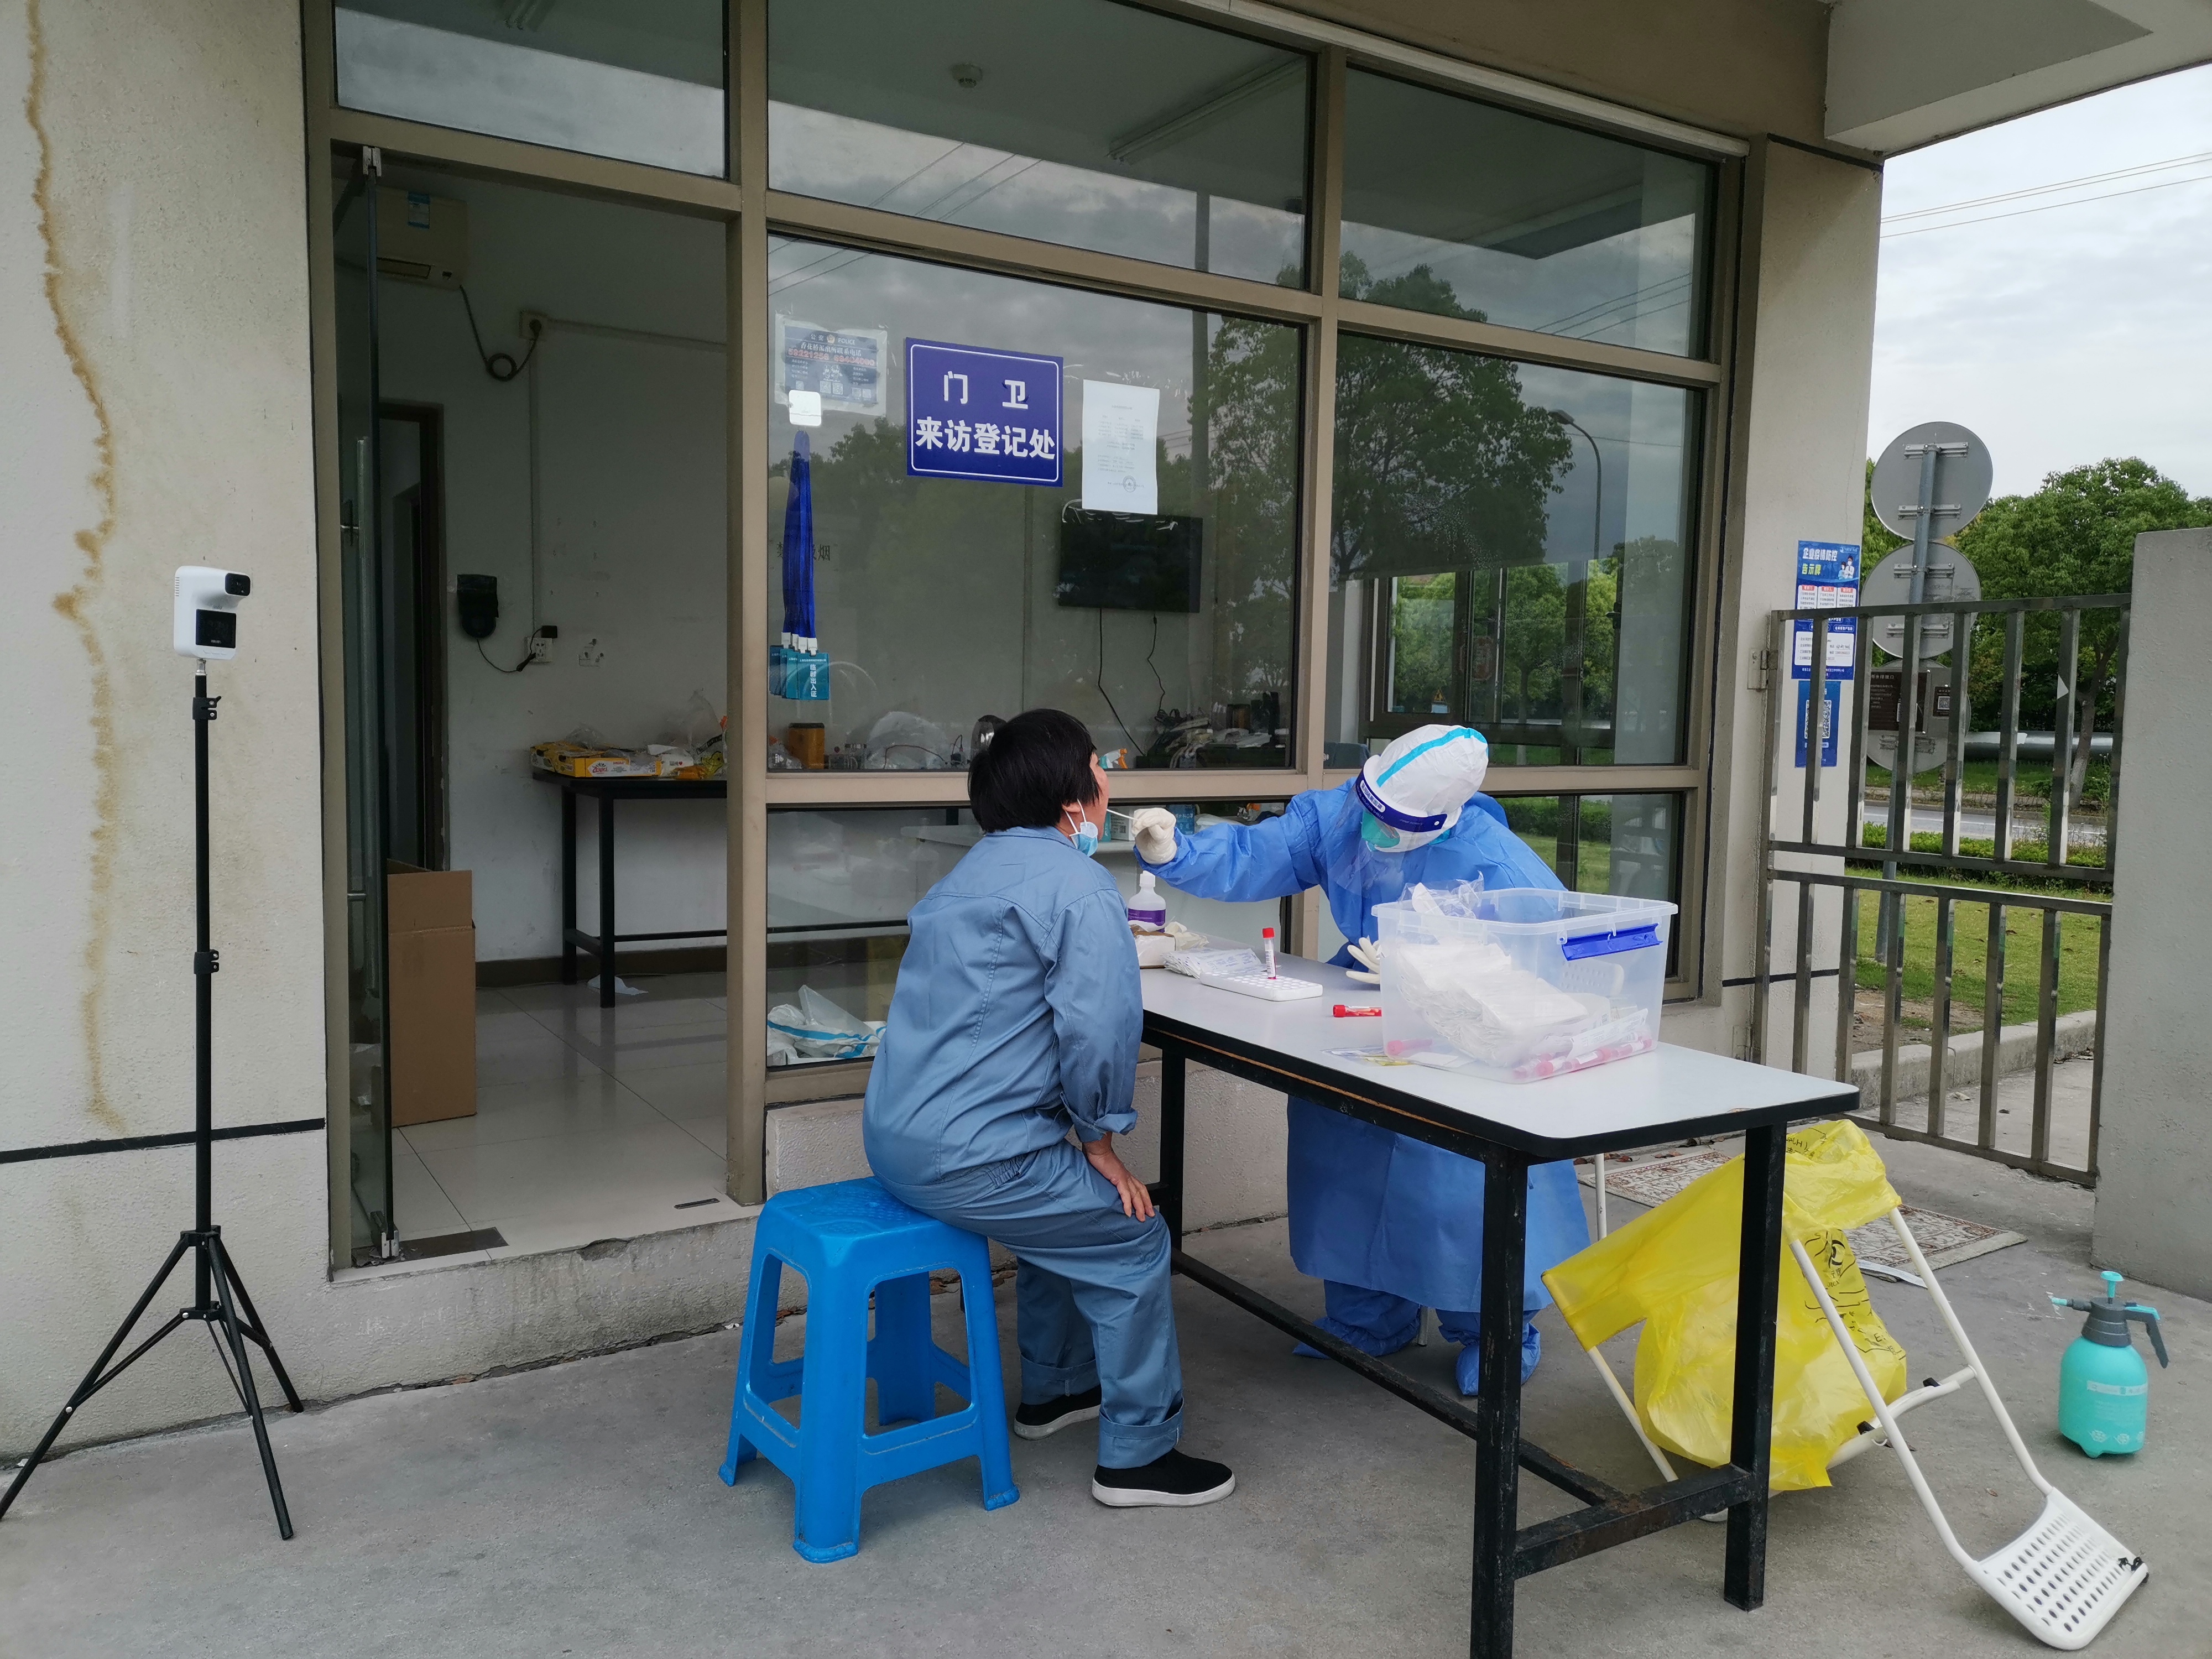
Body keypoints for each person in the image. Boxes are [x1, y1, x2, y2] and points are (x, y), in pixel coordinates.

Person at [1127, 724, 1590, 1397]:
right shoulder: (1340, 815)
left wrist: (1449, 982)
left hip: (1464, 1032)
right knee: (1342, 1156)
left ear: (1441, 819)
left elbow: (1555, 961)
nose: (1372, 830)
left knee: (1455, 1182)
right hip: (1361, 1002)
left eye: (1393, 823)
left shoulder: (1499, 865)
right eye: (1369, 807)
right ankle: (1369, 1317)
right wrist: (1177, 853)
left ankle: (1494, 1329)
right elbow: (1261, 853)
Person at [863, 708, 1235, 1509]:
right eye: (1099, 766)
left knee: (1062, 1216)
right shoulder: (1078, 885)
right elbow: (1100, 1031)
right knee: (1133, 1235)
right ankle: (1138, 1456)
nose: (1108, 780)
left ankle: (1058, 1389)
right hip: (971, 1157)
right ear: (1073, 801)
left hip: (897, 1138)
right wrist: (1100, 1140)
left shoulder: (963, 876)